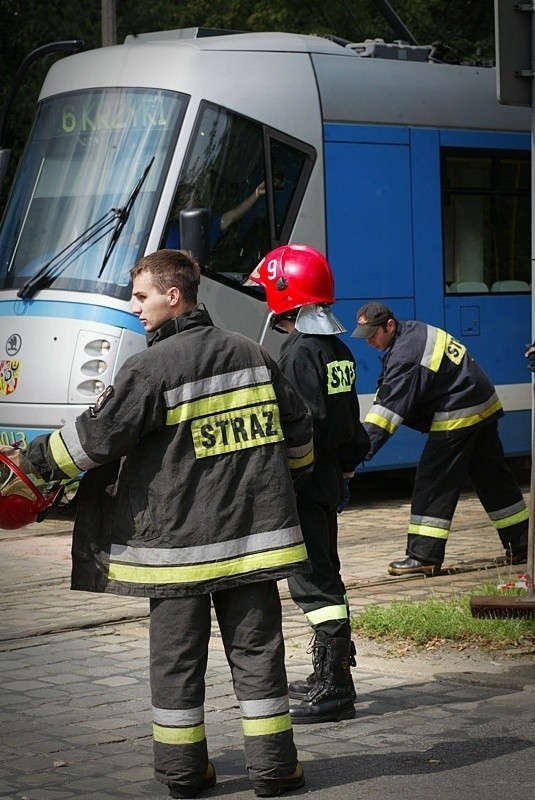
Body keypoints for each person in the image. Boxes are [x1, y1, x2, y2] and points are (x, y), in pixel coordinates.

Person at [24, 249, 315, 799]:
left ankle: (184, 774)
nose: (135, 308)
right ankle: (275, 770)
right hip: (253, 543)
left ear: (172, 296)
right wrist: (289, 482)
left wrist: (32, 463)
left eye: (141, 296)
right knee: (258, 655)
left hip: (177, 552)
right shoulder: (250, 352)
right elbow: (299, 434)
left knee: (176, 663)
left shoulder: (150, 367)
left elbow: (93, 441)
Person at [248, 244, 370, 725]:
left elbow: (303, 422)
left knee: (313, 581)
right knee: (324, 573)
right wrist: (342, 471)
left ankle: (334, 686)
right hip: (328, 477)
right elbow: (348, 422)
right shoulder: (336, 348)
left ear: (285, 294)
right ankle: (331, 674)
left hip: (304, 480)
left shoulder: (298, 352)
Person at [352, 302, 529, 576]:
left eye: (373, 334)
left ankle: (424, 555)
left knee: (433, 479)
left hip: (459, 410)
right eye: (365, 336)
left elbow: (387, 413)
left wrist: (357, 453)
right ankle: (524, 544)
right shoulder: (410, 334)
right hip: (481, 401)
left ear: (389, 325)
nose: (370, 342)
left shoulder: (406, 354)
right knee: (493, 477)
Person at [164, 182, 266, 249]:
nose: (184, 205)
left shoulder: (204, 226)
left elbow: (233, 215)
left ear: (198, 203)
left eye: (189, 200)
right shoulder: (163, 227)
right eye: (181, 201)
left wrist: (256, 194)